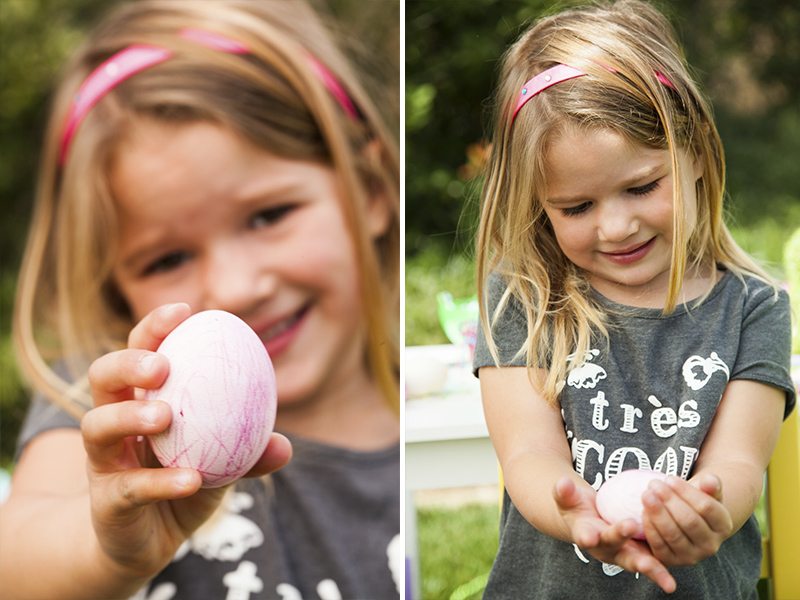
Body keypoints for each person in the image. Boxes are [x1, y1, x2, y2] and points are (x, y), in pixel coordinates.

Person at [0, 1, 400, 599]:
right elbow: (15, 562)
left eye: (269, 215)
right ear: (116, 284)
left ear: (370, 190)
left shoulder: (426, 406)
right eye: (167, 259)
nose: (236, 287)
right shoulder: (117, 408)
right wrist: (103, 547)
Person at [473, 1, 796, 598]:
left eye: (642, 186)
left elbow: (740, 463)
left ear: (695, 151)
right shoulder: (524, 301)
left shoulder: (755, 308)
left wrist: (709, 511)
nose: (616, 227)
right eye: (577, 207)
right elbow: (528, 455)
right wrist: (574, 513)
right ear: (540, 205)